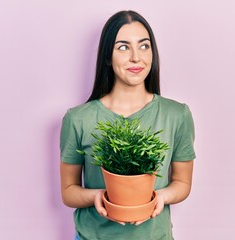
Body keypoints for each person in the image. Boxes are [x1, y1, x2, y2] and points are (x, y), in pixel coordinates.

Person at [60, 10, 196, 240]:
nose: (136, 57)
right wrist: (99, 196)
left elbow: (182, 182)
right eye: (123, 47)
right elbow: (68, 191)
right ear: (107, 57)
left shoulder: (177, 115)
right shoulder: (78, 119)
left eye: (144, 46)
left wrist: (159, 198)